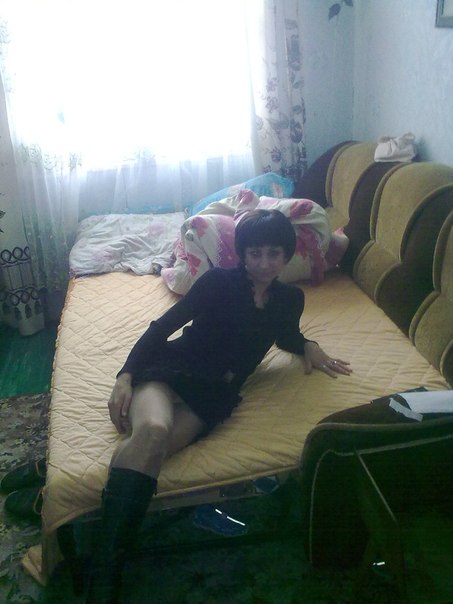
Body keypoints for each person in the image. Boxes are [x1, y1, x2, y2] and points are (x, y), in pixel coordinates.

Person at [86, 209, 352, 603]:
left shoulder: (289, 299)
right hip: (172, 369)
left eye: (273, 253)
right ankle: (105, 571)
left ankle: (98, 536)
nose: (264, 263)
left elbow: (286, 335)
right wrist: (125, 376)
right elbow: (163, 327)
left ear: (287, 255)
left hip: (214, 394)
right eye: (255, 253)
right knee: (153, 432)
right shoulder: (216, 282)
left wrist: (308, 345)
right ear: (243, 253)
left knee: (151, 450)